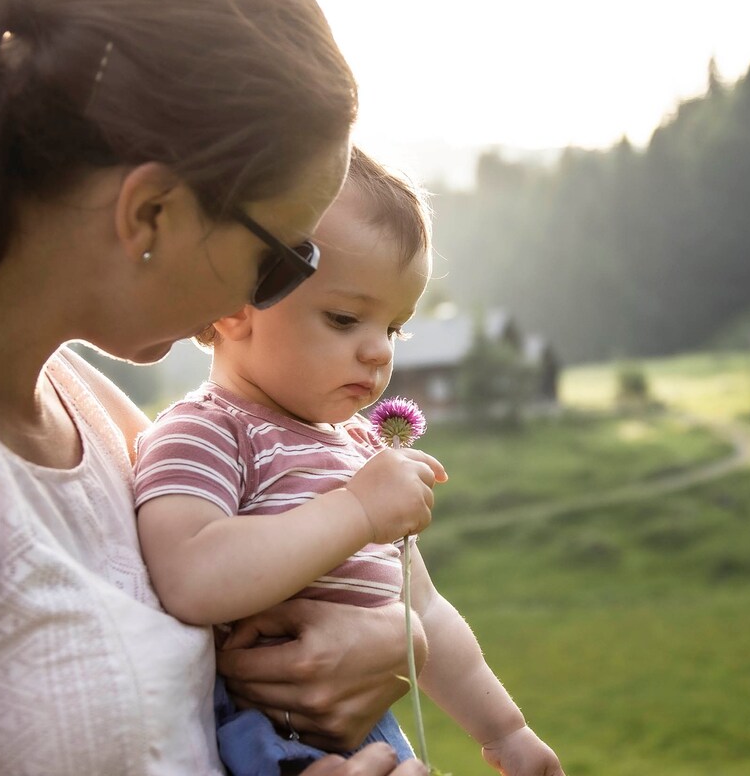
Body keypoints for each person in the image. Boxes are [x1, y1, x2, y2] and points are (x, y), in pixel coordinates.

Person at [0, 0, 432, 774]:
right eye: (282, 260)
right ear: (150, 211)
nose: (267, 302)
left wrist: (395, 643)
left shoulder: (106, 422)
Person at [134, 148, 565, 776]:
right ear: (234, 305)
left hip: (370, 727)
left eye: (394, 328)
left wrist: (506, 731)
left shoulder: (361, 449)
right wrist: (359, 509)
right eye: (344, 318)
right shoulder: (207, 431)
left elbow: (424, 612)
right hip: (265, 737)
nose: (376, 352)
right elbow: (189, 574)